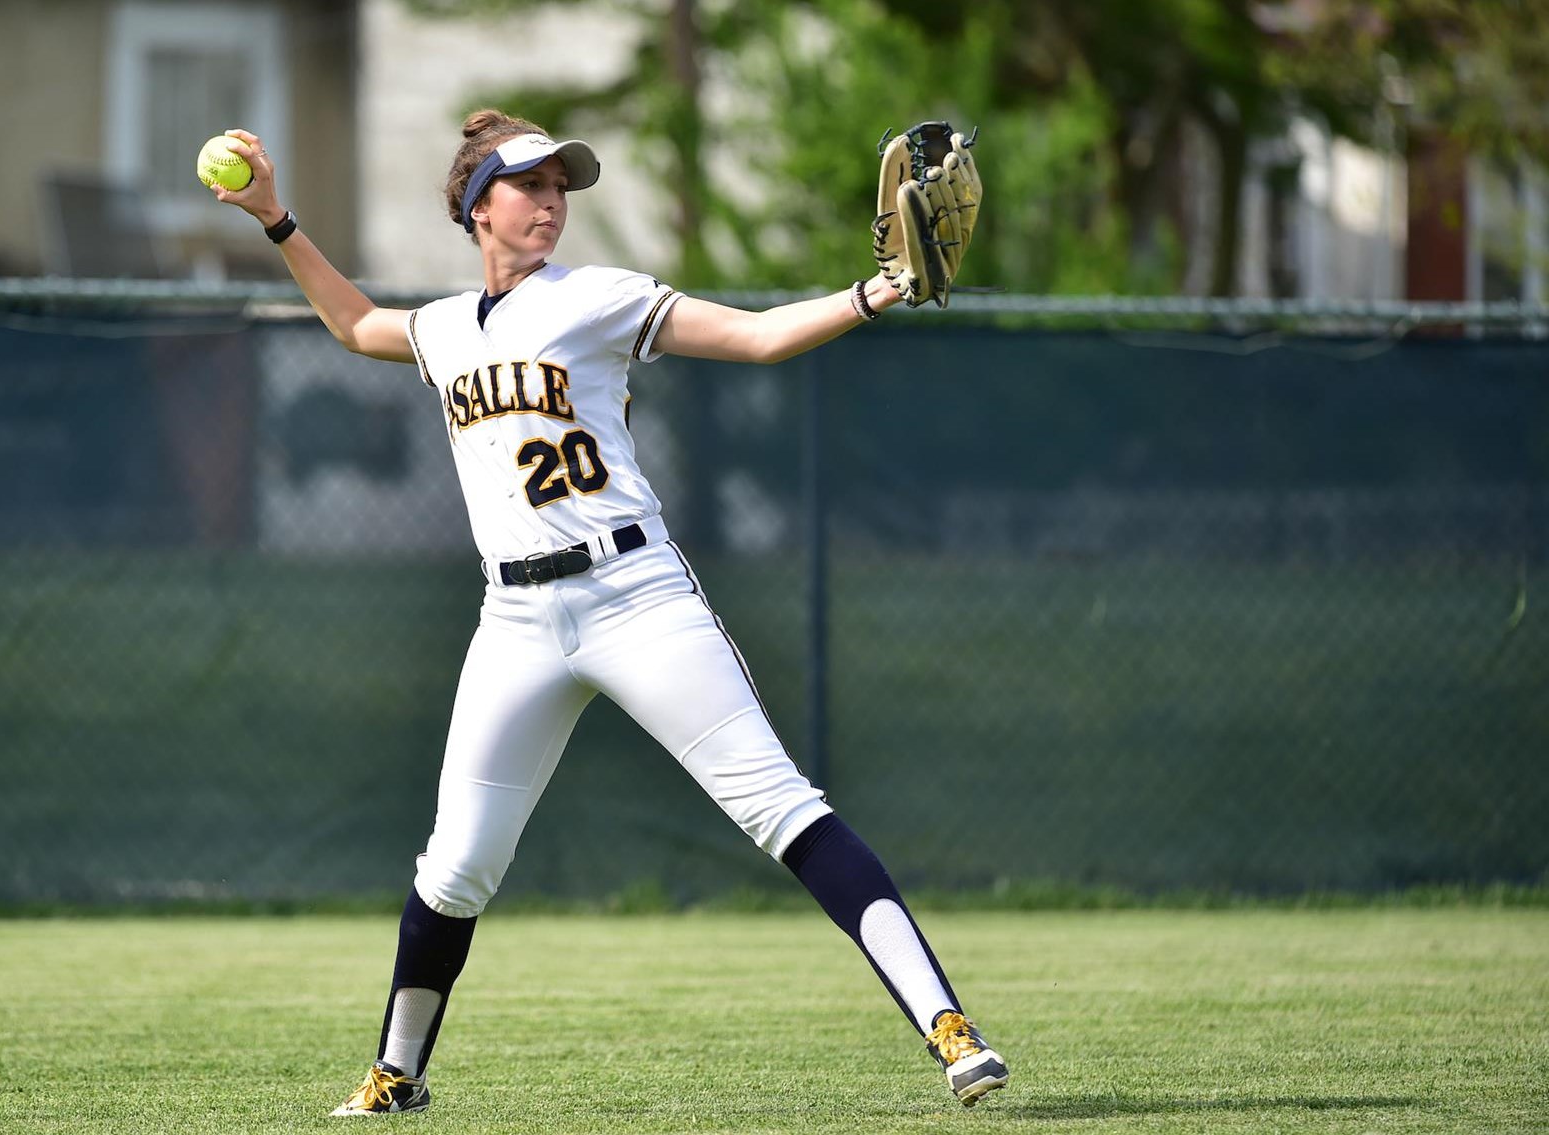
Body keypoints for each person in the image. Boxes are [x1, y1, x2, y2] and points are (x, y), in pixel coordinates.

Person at [205, 110, 1009, 1116]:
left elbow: (756, 339)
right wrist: (277, 219)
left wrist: (875, 290)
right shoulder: (449, 328)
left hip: (636, 597)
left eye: (559, 187)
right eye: (528, 185)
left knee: (780, 807)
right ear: (475, 206)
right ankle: (395, 1074)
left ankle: (951, 1030)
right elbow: (358, 326)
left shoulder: (593, 299)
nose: (550, 202)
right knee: (454, 866)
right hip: (514, 620)